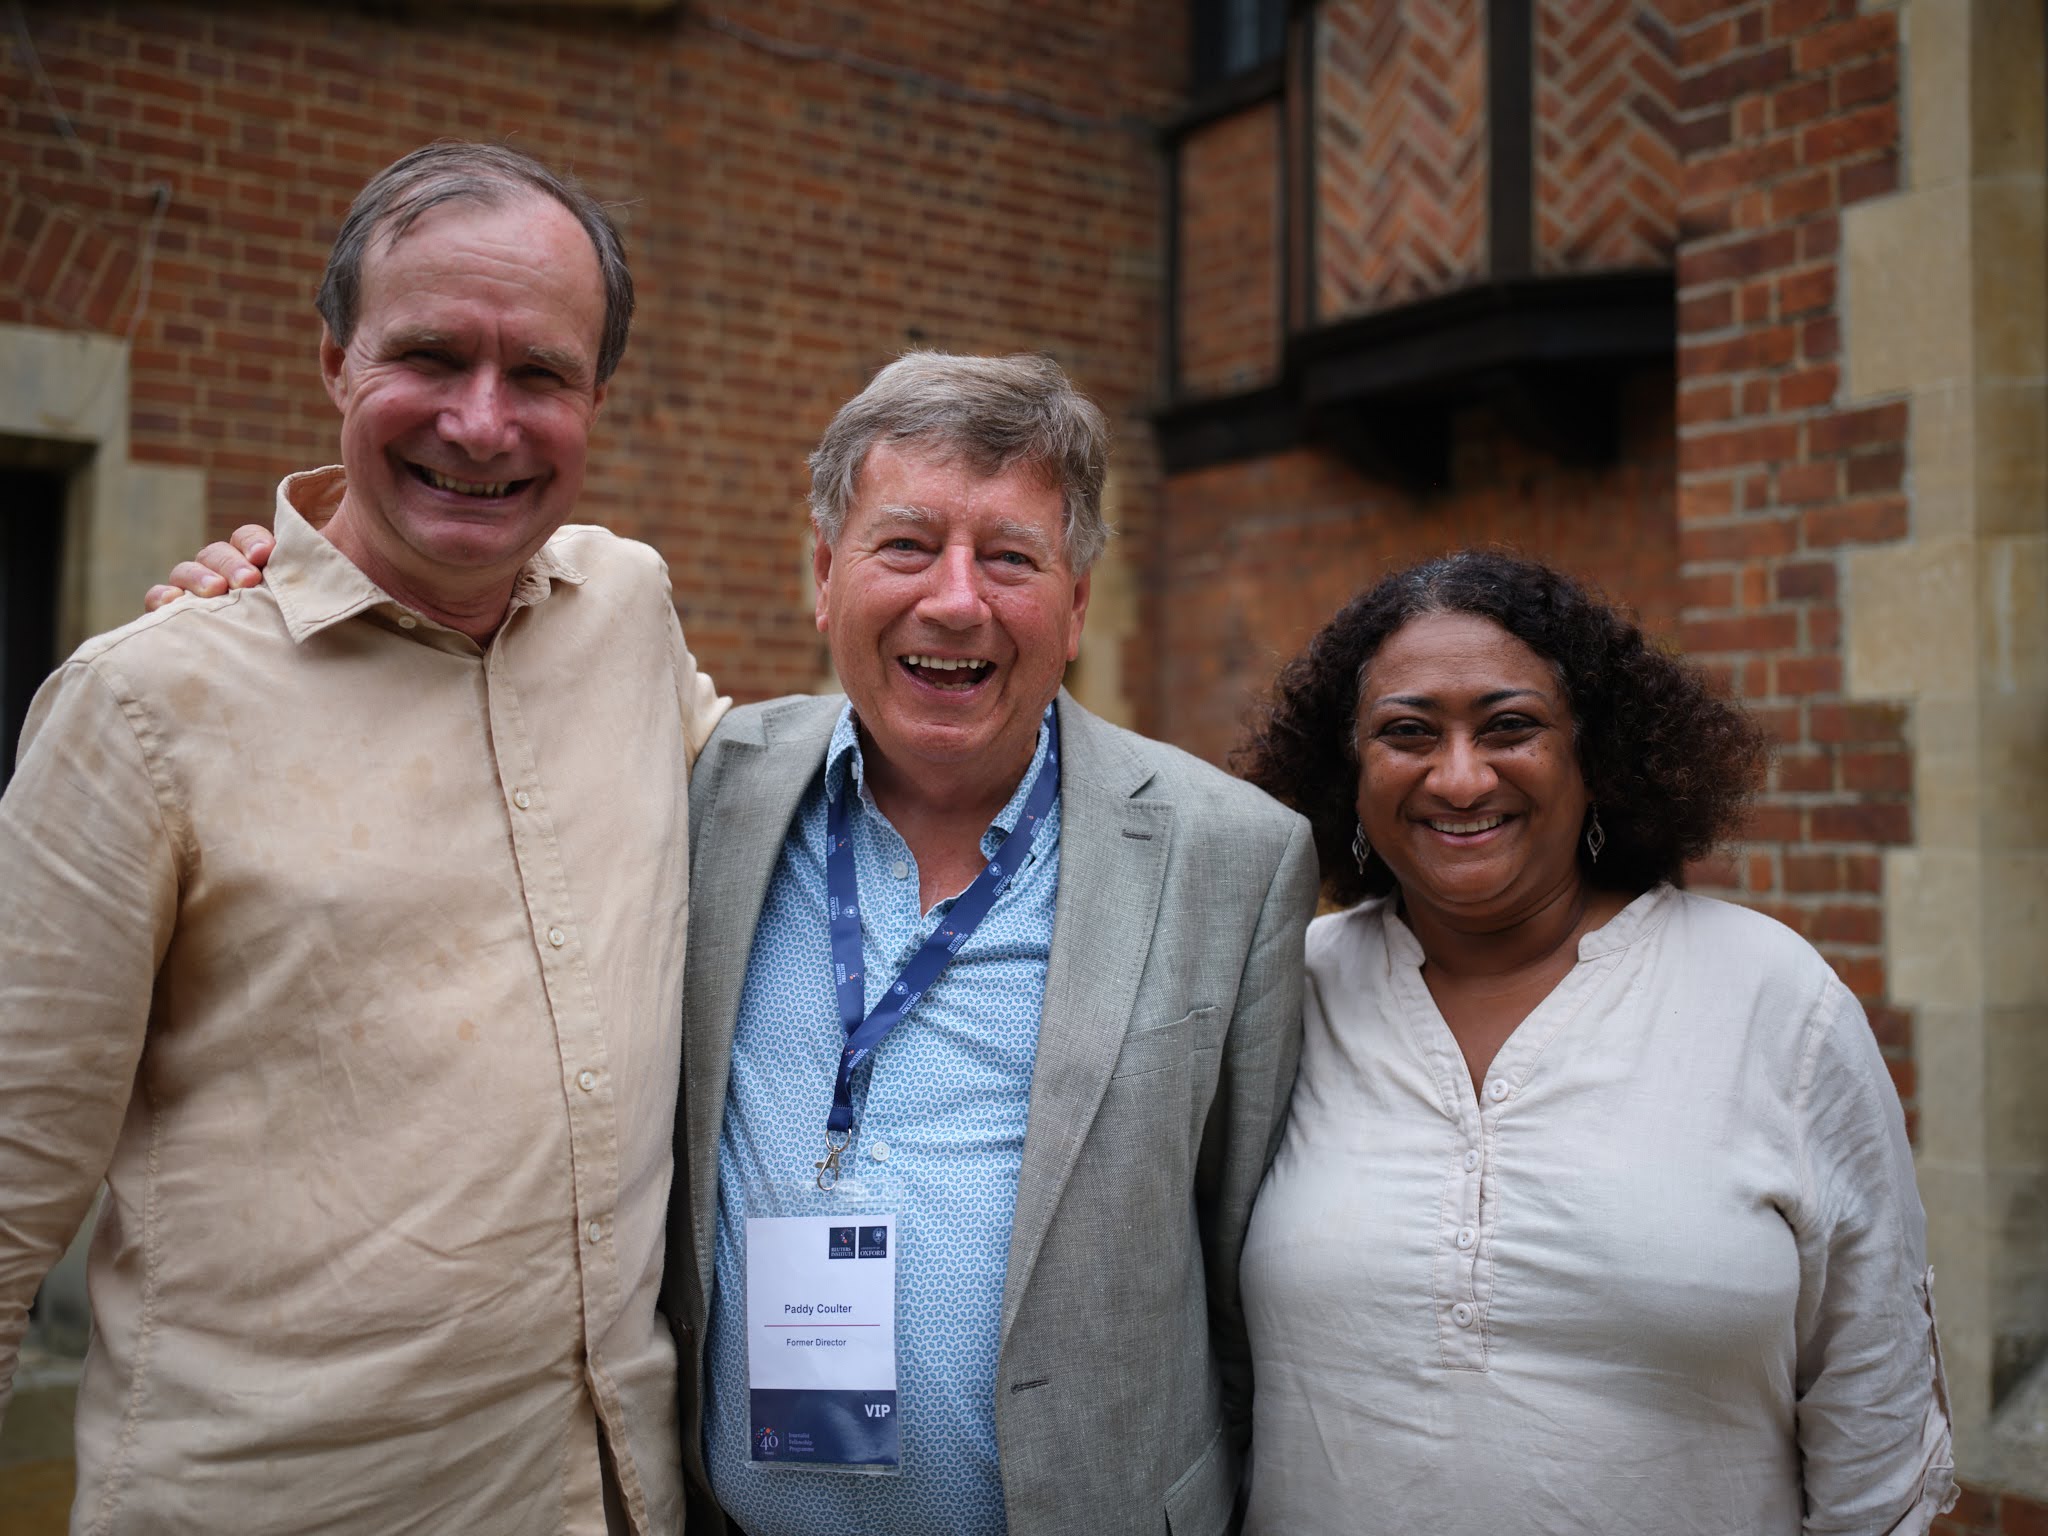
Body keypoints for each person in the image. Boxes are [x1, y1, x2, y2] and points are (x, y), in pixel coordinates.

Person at [141, 351, 1319, 1535]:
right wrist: (268, 605)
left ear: (1074, 607)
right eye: (903, 546)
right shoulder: (705, 784)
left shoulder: (1233, 859)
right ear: (823, 577)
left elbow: (1245, 1286)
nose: (954, 600)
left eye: (1009, 557)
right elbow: (453, 714)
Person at [0, 142, 725, 1534]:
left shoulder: (629, 611)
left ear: (598, 396)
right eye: (430, 356)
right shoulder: (147, 703)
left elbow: (789, 801)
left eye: (539, 376)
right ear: (334, 358)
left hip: (606, 1497)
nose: (479, 421)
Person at [1232, 550, 1956, 1535]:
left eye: (1509, 728)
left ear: (1595, 758)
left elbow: (1875, 1433)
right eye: (1405, 734)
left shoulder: (1770, 1000)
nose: (1456, 776)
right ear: (1347, 773)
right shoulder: (1279, 994)